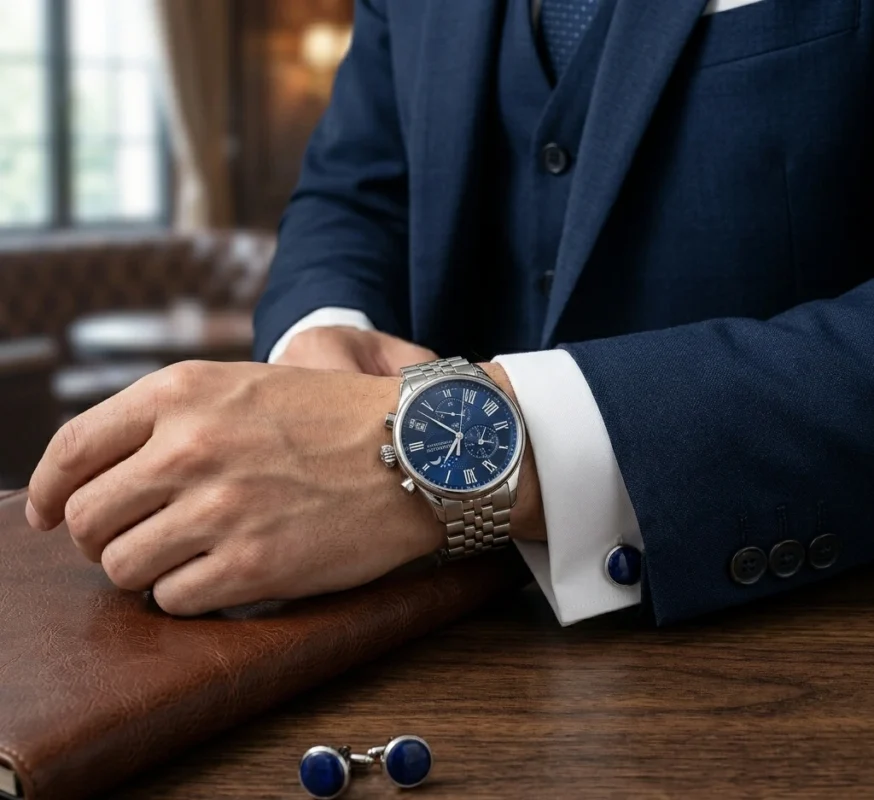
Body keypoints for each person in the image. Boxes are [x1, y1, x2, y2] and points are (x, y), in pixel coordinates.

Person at [26, 0, 873, 626]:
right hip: (393, 628)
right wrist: (324, 328)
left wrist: (448, 462)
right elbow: (349, 192)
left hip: (778, 616)